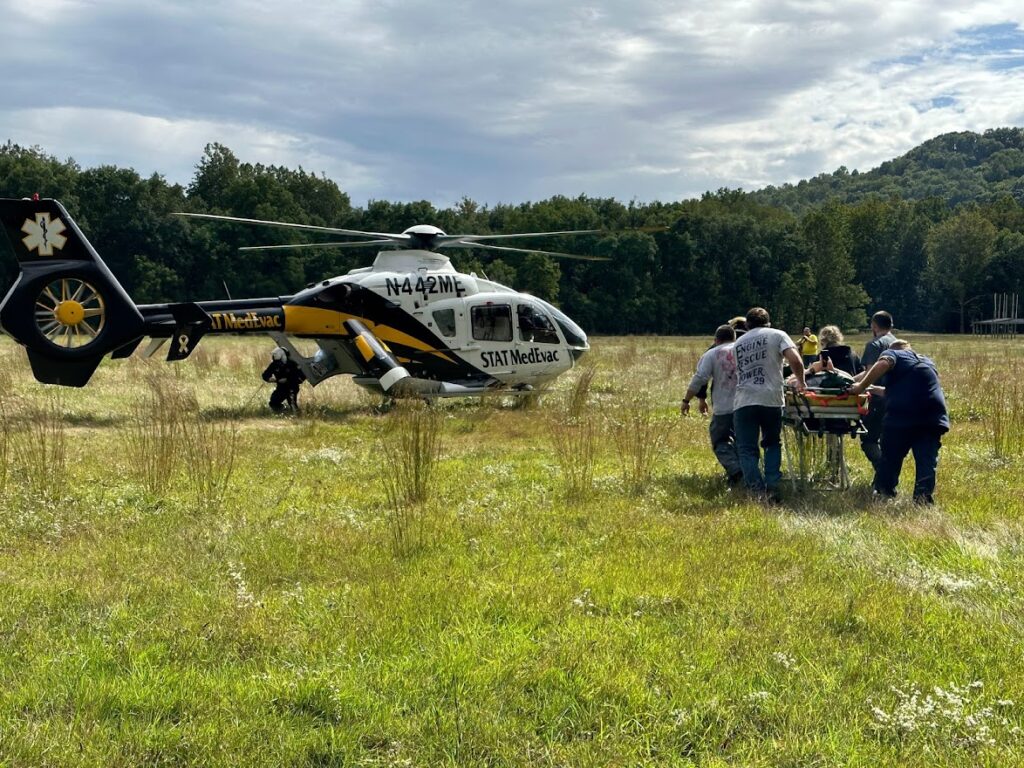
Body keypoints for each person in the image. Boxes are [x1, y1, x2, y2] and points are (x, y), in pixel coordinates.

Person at [847, 339, 949, 504]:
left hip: (903, 416)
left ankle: (884, 493)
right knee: (926, 459)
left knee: (891, 456)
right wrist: (870, 388)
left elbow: (884, 363)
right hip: (932, 416)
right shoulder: (926, 361)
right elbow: (895, 392)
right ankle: (922, 500)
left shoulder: (893, 353)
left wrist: (860, 387)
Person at [732, 307, 806, 500]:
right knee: (772, 443)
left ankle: (756, 491)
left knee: (747, 448)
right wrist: (801, 381)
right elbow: (796, 360)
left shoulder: (738, 342)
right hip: (771, 399)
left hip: (744, 400)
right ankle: (772, 486)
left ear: (747, 325)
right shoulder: (778, 334)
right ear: (769, 323)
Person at [681, 324, 743, 487]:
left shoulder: (711, 354)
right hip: (747, 405)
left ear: (716, 340)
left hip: (724, 407)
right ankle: (746, 474)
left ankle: (737, 471)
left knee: (720, 440)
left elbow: (700, 378)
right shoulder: (744, 349)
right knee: (743, 442)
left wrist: (686, 400)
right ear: (735, 338)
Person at [858, 311, 896, 470]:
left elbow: (869, 374)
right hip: (897, 397)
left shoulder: (874, 345)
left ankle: (884, 473)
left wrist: (851, 382)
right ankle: (886, 478)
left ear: (873, 325)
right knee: (889, 441)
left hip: (877, 399)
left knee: (869, 440)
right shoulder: (898, 343)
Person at [262, 347, 306, 413]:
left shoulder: (292, 364)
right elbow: (265, 375)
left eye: (279, 361)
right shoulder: (274, 365)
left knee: (292, 405)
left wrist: (288, 380)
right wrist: (273, 380)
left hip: (292, 387)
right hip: (281, 387)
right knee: (273, 402)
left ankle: (296, 415)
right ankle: (283, 412)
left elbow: (301, 378)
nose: (278, 363)